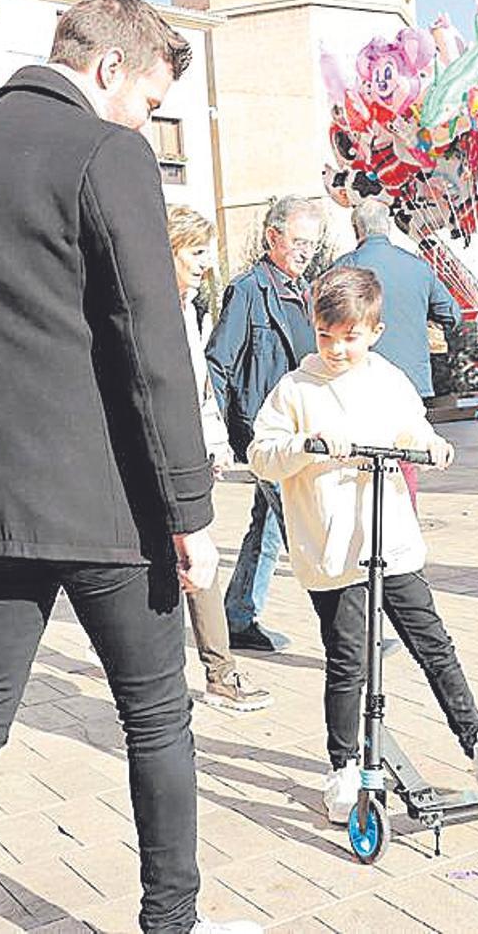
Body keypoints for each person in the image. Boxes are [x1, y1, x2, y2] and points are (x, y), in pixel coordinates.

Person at [0, 0, 257, 934]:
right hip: (108, 505)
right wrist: (191, 507)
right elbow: (152, 342)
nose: (147, 121)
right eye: (149, 100)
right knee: (156, 717)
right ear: (108, 72)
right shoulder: (106, 151)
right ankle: (171, 922)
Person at [247, 266, 478, 823]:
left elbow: (413, 428)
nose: (336, 348)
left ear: (374, 331)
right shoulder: (295, 388)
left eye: (350, 337)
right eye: (326, 335)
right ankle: (343, 768)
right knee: (348, 661)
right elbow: (263, 453)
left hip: (392, 539)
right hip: (333, 551)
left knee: (434, 644)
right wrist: (308, 446)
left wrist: (431, 444)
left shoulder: (387, 378)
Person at [205, 196, 320, 653]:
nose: (306, 250)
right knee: (303, 524)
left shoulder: (306, 291)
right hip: (265, 432)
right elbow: (218, 362)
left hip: (300, 428)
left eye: (312, 243)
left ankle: (238, 616)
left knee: (268, 525)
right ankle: (346, 624)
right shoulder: (250, 289)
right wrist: (213, 435)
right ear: (273, 237)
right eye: (298, 241)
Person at [168, 204, 272, 710]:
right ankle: (214, 674)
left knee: (193, 556)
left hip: (188, 448)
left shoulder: (189, 305)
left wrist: (213, 440)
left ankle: (216, 671)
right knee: (193, 556)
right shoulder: (157, 306)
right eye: (196, 250)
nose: (206, 261)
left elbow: (199, 385)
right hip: (165, 455)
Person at [331, 199, 459, 508]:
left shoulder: (344, 266)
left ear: (356, 229)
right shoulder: (417, 266)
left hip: (355, 379)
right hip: (410, 379)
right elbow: (452, 314)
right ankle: (405, 524)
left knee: (359, 462)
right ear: (387, 227)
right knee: (405, 457)